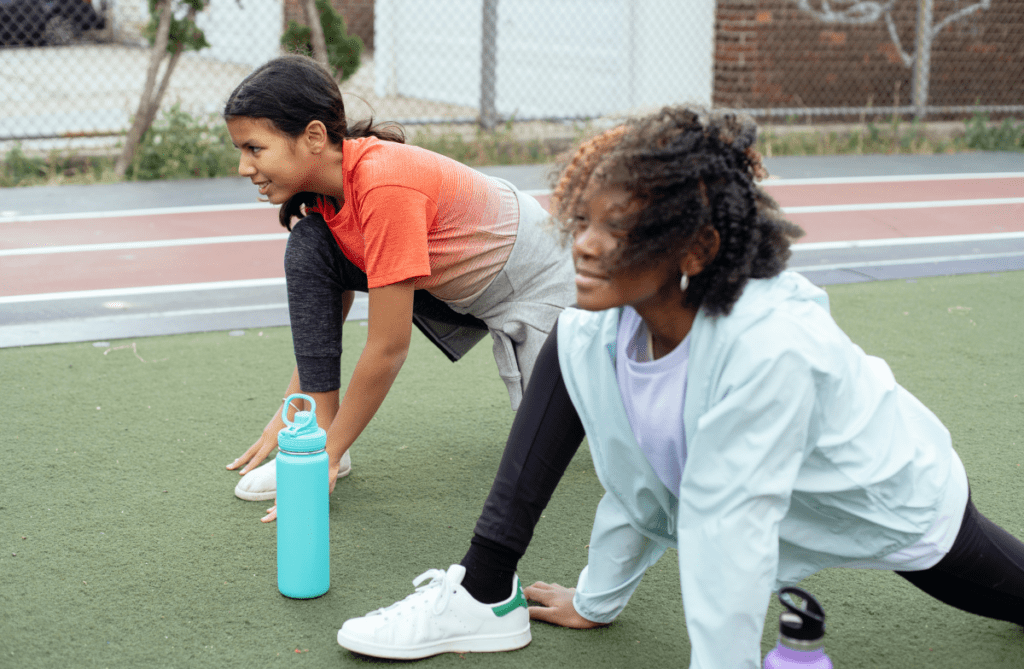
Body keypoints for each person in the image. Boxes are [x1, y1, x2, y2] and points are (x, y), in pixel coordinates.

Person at [335, 107, 1024, 667]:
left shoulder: (769, 351)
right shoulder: (604, 334)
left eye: (621, 228)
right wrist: (597, 599)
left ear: (694, 250)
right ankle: (481, 587)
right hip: (766, 494)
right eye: (585, 219)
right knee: (571, 345)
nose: (586, 244)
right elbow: (647, 487)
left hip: (885, 496)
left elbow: (731, 539)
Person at [221, 54, 575, 522]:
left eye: (254, 148)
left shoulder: (383, 186)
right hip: (456, 285)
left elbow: (388, 347)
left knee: (595, 422)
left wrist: (322, 458)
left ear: (312, 137)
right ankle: (321, 434)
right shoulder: (330, 190)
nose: (245, 167)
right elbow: (332, 298)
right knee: (311, 247)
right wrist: (298, 415)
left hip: (537, 279)